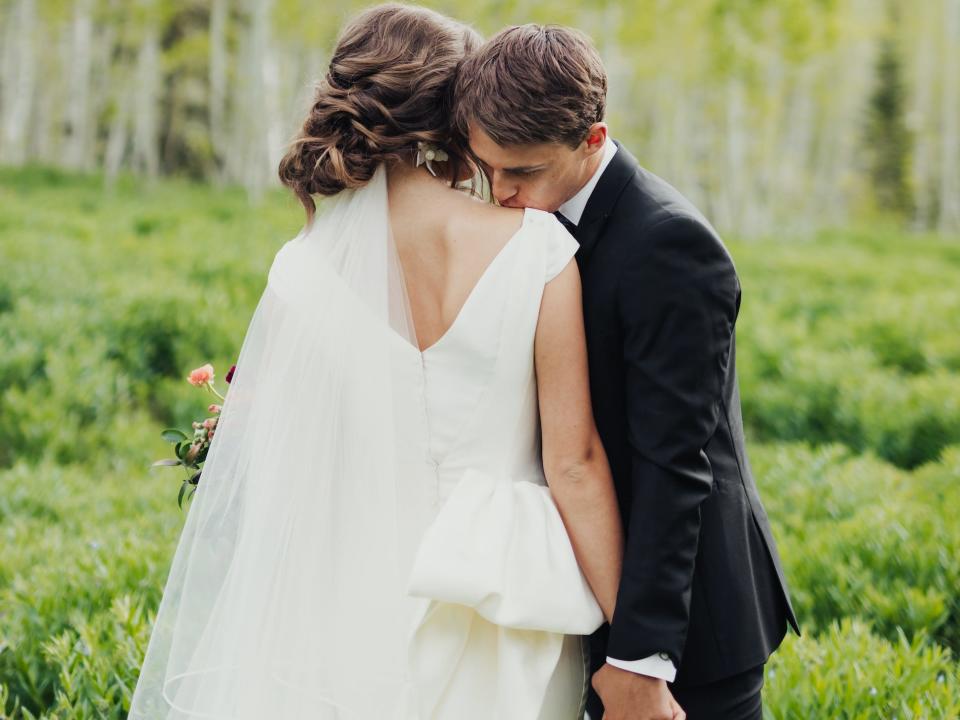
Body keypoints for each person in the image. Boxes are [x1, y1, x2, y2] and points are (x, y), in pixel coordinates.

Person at [127, 5, 623, 719]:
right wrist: (638, 649)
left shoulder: (301, 272)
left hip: (347, 601)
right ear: (463, 113)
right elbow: (574, 465)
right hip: (504, 604)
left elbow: (273, 457)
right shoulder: (536, 250)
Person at [454, 24, 800, 720]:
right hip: (573, 598)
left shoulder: (669, 245)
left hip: (686, 631)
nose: (501, 193)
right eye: (486, 169)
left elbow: (677, 465)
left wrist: (639, 658)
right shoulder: (523, 224)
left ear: (592, 139)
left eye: (521, 173)